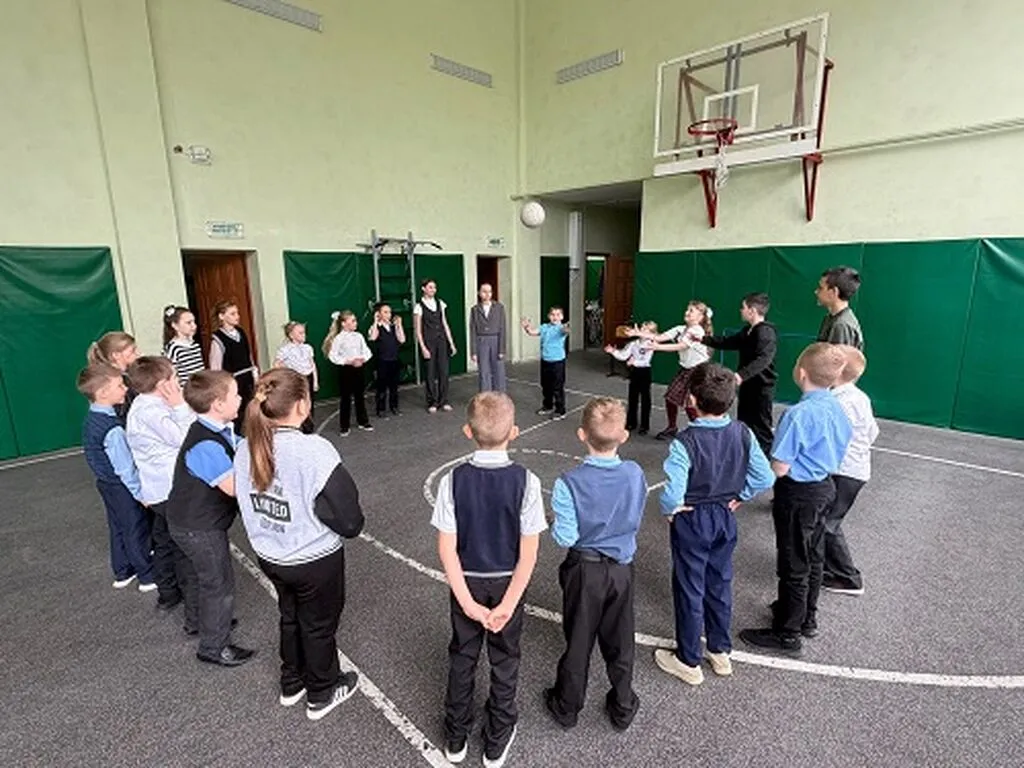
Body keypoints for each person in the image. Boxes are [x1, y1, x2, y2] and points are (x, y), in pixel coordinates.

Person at [235, 369, 364, 720]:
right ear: (302, 404)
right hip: (313, 559)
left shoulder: (245, 446)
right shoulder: (314, 450)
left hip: (270, 553)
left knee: (290, 614)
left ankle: (292, 682)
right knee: (318, 624)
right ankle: (322, 691)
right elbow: (350, 521)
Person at [431, 392, 545, 768]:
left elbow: (447, 549)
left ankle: (456, 735)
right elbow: (529, 554)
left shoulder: (452, 480)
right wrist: (508, 605)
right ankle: (496, 738)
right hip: (507, 582)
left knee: (463, 657)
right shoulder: (528, 481)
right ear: (514, 432)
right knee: (505, 659)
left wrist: (467, 603)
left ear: (468, 431)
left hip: (467, 581)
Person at [654, 363, 774, 685]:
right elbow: (765, 476)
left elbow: (673, 492)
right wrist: (741, 495)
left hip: (693, 518)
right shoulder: (743, 432)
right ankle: (720, 651)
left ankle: (688, 660)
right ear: (731, 399)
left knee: (689, 587)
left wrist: (670, 509)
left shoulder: (684, 441)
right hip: (724, 516)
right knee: (720, 582)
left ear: (692, 400)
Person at [738, 343, 852, 655]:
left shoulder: (797, 415)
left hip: (798, 494)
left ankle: (787, 633)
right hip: (825, 487)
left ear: (801, 373)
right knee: (813, 555)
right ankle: (806, 617)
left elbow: (780, 467)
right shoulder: (838, 408)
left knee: (793, 563)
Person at [545, 398, 646, 731]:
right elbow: (634, 516)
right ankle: (623, 704)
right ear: (624, 436)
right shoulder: (635, 473)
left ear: (581, 434)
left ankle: (567, 706)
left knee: (579, 640)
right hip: (622, 569)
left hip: (585, 571)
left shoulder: (568, 482)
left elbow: (566, 537)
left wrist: (554, 521)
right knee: (621, 638)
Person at [166, 370, 255, 667]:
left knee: (196, 577)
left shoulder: (216, 429)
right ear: (217, 404)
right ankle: (214, 646)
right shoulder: (206, 445)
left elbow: (241, 444)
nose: (241, 398)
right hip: (199, 527)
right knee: (218, 582)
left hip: (185, 521)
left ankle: (199, 622)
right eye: (235, 395)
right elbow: (234, 488)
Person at [125, 356, 197, 616]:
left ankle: (168, 594)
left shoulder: (143, 404)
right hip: (170, 490)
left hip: (158, 491)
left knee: (165, 540)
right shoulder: (152, 412)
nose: (178, 381)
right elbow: (185, 438)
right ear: (162, 384)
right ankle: (196, 611)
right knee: (185, 549)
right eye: (174, 377)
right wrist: (180, 405)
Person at [76, 363, 155, 592]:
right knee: (135, 528)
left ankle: (123, 571)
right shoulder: (113, 429)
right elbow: (125, 468)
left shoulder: (92, 419)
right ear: (102, 393)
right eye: (120, 385)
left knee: (118, 526)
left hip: (105, 483)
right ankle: (147, 576)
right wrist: (140, 494)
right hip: (121, 486)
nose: (125, 389)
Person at [823, 345, 879, 596]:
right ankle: (827, 566)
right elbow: (872, 432)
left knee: (828, 523)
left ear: (838, 371)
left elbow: (832, 439)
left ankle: (848, 578)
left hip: (846, 472)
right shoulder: (858, 397)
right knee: (827, 520)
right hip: (852, 469)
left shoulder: (841, 402)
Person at [700, 293, 778, 455]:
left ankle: (765, 459)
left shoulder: (766, 332)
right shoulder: (747, 331)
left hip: (761, 387)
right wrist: (703, 339)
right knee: (744, 421)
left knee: (761, 425)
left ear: (752, 311)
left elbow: (764, 359)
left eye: (743, 307)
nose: (740, 310)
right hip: (748, 386)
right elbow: (729, 342)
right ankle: (744, 454)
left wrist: (741, 375)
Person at [635, 300, 712, 439]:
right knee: (671, 398)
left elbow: (681, 346)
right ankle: (672, 427)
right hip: (686, 369)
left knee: (690, 404)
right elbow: (660, 337)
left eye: (691, 311)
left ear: (700, 317)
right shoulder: (681, 329)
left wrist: (658, 347)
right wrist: (639, 333)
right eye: (687, 309)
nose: (687, 312)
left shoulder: (697, 331)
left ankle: (699, 432)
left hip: (698, 370)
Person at [209, 301, 259, 431]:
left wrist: (254, 372)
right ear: (221, 316)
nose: (237, 316)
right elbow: (215, 366)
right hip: (233, 381)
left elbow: (248, 354)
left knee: (251, 409)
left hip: (247, 378)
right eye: (232, 314)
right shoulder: (218, 339)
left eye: (237, 313)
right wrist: (220, 385)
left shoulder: (241, 332)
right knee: (236, 413)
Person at [324, 310, 374, 436]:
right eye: (352, 321)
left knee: (360, 396)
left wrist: (362, 359)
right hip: (346, 370)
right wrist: (347, 361)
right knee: (345, 398)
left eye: (355, 320)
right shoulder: (339, 338)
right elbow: (333, 356)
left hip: (359, 368)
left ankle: (363, 421)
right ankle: (344, 426)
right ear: (343, 323)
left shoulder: (359, 336)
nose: (355, 323)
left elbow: (367, 351)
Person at [603, 321, 656, 435]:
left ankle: (644, 426)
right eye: (642, 328)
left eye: (645, 329)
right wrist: (613, 351)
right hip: (635, 372)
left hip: (645, 372)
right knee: (632, 397)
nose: (641, 330)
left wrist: (634, 362)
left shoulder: (651, 344)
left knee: (645, 399)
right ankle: (631, 422)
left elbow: (645, 361)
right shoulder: (633, 344)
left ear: (651, 333)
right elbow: (623, 355)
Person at [414, 279, 457, 413]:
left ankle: (444, 400)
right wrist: (423, 348)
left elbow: (445, 324)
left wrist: (451, 343)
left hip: (441, 341)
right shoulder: (419, 306)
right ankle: (432, 402)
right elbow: (418, 330)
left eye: (434, 287)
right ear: (423, 288)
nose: (433, 290)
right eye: (430, 287)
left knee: (444, 371)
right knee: (430, 373)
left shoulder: (440, 303)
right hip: (428, 342)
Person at [521, 307, 569, 419]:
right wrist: (527, 327)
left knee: (557, 387)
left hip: (558, 362)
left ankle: (560, 410)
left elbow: (565, 331)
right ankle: (548, 406)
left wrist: (566, 329)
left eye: (558, 315)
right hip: (545, 361)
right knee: (546, 386)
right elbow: (533, 332)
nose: (555, 317)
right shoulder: (544, 327)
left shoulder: (561, 328)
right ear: (549, 316)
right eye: (552, 314)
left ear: (562, 317)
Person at [274, 321, 318, 434]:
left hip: (308, 377)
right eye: (300, 333)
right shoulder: (285, 350)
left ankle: (309, 429)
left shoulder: (308, 348)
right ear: (291, 335)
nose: (304, 335)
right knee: (297, 403)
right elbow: (277, 364)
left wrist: (315, 381)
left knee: (309, 403)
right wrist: (288, 375)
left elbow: (312, 364)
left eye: (304, 333)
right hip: (297, 379)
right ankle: (297, 427)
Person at [87, 331, 140, 419]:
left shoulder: (106, 377)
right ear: (116, 355)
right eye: (132, 351)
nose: (138, 354)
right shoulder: (117, 381)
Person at [367, 303, 405, 418]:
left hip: (394, 359)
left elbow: (402, 339)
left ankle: (394, 407)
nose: (389, 314)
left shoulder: (393, 327)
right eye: (385, 312)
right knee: (381, 387)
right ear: (378, 314)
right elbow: (373, 337)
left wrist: (399, 325)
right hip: (382, 361)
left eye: (389, 312)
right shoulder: (375, 327)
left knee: (394, 386)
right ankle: (381, 409)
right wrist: (375, 321)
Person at [470, 283, 507, 393]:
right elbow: (473, 330)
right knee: (484, 371)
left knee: (498, 371)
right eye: (484, 291)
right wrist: (473, 351)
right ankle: (485, 397)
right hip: (481, 341)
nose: (487, 294)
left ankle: (499, 396)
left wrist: (501, 349)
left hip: (496, 340)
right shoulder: (475, 309)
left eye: (489, 291)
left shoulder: (499, 307)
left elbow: (502, 328)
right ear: (479, 293)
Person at [816, 266, 864, 350]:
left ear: (834, 292)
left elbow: (837, 358)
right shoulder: (830, 318)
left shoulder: (841, 325)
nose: (816, 291)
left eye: (821, 288)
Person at [163, 305, 206, 388]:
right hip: (186, 391)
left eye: (194, 322)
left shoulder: (194, 344)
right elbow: (170, 374)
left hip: (200, 388)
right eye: (188, 323)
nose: (194, 326)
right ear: (175, 325)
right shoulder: (173, 348)